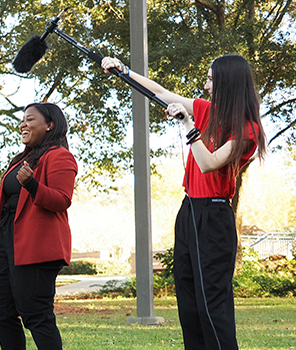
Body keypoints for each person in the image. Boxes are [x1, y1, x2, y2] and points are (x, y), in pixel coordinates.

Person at [101, 55, 265, 350]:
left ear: (227, 82)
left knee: (211, 305)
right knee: (188, 303)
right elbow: (161, 93)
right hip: (189, 211)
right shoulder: (206, 110)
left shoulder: (247, 130)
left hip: (214, 216)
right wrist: (124, 71)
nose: (206, 85)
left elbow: (209, 163)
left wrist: (189, 125)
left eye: (211, 79)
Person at [0, 102, 77, 350]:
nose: (23, 124)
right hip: (7, 246)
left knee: (36, 315)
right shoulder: (24, 159)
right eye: (23, 120)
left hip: (36, 249)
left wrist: (32, 185)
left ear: (50, 125)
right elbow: (15, 209)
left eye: (30, 119)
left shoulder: (60, 156)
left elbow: (62, 200)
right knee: (0, 311)